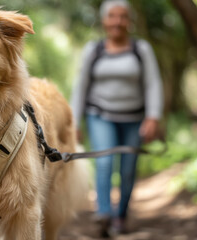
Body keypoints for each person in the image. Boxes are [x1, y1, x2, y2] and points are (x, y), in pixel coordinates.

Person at [71, 0, 163, 235]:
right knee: (104, 162)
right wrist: (74, 121)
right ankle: (103, 214)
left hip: (134, 118)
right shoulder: (94, 50)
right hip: (100, 115)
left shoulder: (141, 50)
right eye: (112, 16)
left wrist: (153, 117)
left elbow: (153, 84)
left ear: (129, 21)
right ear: (104, 21)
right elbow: (80, 87)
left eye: (122, 16)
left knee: (128, 169)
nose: (117, 22)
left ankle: (120, 216)